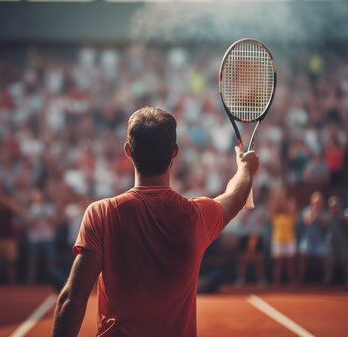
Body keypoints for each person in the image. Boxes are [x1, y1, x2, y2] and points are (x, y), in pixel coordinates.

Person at [52, 107, 259, 337]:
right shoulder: (196, 215)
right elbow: (236, 197)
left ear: (128, 151)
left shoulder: (101, 213)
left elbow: (72, 298)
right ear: (175, 152)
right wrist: (245, 167)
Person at [26, 189, 57, 284]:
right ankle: (31, 280)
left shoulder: (49, 207)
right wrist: (38, 215)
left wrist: (43, 212)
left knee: (50, 260)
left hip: (48, 238)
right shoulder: (31, 208)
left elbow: (53, 222)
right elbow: (31, 224)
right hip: (35, 239)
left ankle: (51, 280)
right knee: (33, 260)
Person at [269, 187, 297, 286]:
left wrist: (287, 199)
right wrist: (278, 195)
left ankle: (292, 282)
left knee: (290, 264)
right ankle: (276, 283)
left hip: (290, 240)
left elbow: (292, 207)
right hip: (278, 240)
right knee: (278, 264)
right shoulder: (275, 215)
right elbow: (272, 205)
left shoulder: (291, 215)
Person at [298, 191, 328, 284]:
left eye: (319, 202)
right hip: (308, 239)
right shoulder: (307, 210)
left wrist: (319, 213)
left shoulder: (324, 212)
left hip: (319, 239)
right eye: (315, 202)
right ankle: (301, 278)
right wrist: (316, 212)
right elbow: (308, 222)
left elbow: (324, 225)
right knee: (303, 256)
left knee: (324, 257)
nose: (317, 203)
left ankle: (325, 278)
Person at [325, 196, 348, 285]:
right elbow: (324, 225)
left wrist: (343, 218)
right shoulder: (327, 214)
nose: (334, 207)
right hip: (331, 241)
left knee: (345, 259)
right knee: (329, 260)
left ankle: (347, 278)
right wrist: (331, 214)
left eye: (336, 205)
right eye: (333, 205)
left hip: (342, 240)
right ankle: (329, 277)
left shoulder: (344, 214)